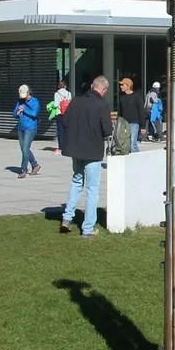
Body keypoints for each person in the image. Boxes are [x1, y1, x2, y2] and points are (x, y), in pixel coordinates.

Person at [60, 75, 112, 238]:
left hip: (76, 149)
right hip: (93, 151)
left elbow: (65, 121)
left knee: (76, 181)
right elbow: (107, 130)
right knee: (92, 189)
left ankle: (67, 219)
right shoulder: (101, 104)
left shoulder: (76, 101)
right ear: (103, 89)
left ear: (92, 86)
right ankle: (87, 228)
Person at [13, 84, 41, 177]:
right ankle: (35, 165)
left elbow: (34, 114)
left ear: (29, 92)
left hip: (31, 127)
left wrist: (24, 110)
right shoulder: (20, 101)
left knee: (25, 148)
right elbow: (14, 114)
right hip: (21, 127)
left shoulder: (34, 101)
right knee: (24, 149)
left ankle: (23, 169)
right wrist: (17, 112)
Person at [116, 77, 143, 154]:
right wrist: (118, 123)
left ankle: (138, 159)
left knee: (132, 144)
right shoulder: (122, 98)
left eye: (122, 85)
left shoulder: (137, 96)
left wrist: (143, 126)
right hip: (124, 123)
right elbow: (120, 112)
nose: (120, 86)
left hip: (134, 123)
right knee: (125, 143)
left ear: (128, 86)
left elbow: (141, 110)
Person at [52, 80, 71, 154]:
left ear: (58, 86)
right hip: (67, 114)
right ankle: (67, 146)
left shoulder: (57, 94)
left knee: (60, 131)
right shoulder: (69, 93)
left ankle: (61, 148)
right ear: (65, 86)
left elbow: (56, 105)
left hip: (59, 113)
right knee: (66, 130)